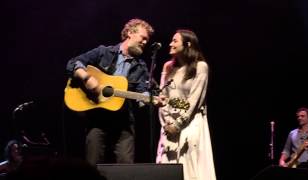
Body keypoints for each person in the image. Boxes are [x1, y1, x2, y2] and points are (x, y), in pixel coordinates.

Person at [65, 18, 154, 165]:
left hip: (123, 119)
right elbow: (73, 63)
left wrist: (149, 99)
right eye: (143, 38)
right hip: (97, 117)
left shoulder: (141, 67)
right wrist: (87, 77)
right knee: (92, 164)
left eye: (147, 40)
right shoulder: (104, 52)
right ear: (130, 33)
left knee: (126, 166)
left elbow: (142, 92)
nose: (145, 42)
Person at [155, 29, 216, 180]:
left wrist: (178, 124)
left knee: (189, 165)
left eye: (175, 41)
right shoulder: (168, 67)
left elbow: (194, 101)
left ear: (188, 44)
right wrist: (167, 123)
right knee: (166, 165)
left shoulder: (200, 67)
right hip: (169, 124)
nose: (170, 44)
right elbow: (162, 98)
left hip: (191, 122)